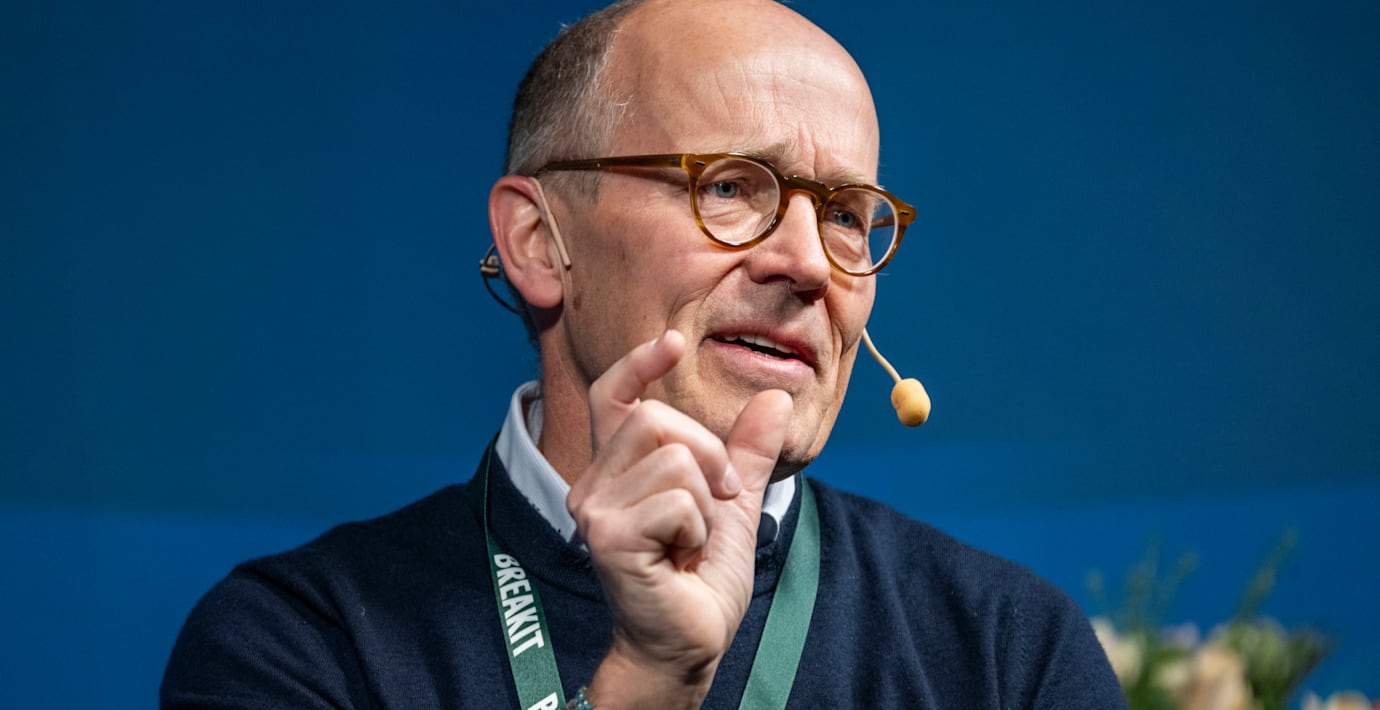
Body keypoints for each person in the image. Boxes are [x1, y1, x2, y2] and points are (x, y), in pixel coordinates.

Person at [162, 1, 1126, 707]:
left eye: (844, 213)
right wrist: (647, 687)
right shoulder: (301, 643)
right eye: (730, 187)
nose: (806, 264)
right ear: (540, 242)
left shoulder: (1008, 649)